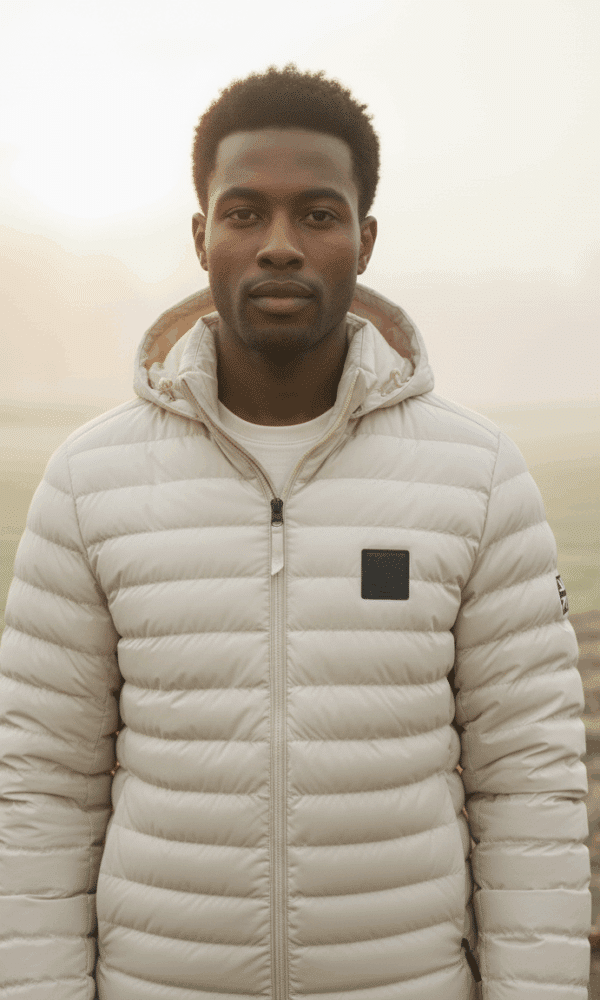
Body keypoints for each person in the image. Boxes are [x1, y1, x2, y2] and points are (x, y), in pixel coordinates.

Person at [0, 63, 591, 1000]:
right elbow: (39, 788)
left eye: (318, 214)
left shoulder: (480, 476)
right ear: (202, 237)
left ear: (365, 239)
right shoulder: (87, 481)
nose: (279, 245)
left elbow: (529, 781)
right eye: (245, 213)